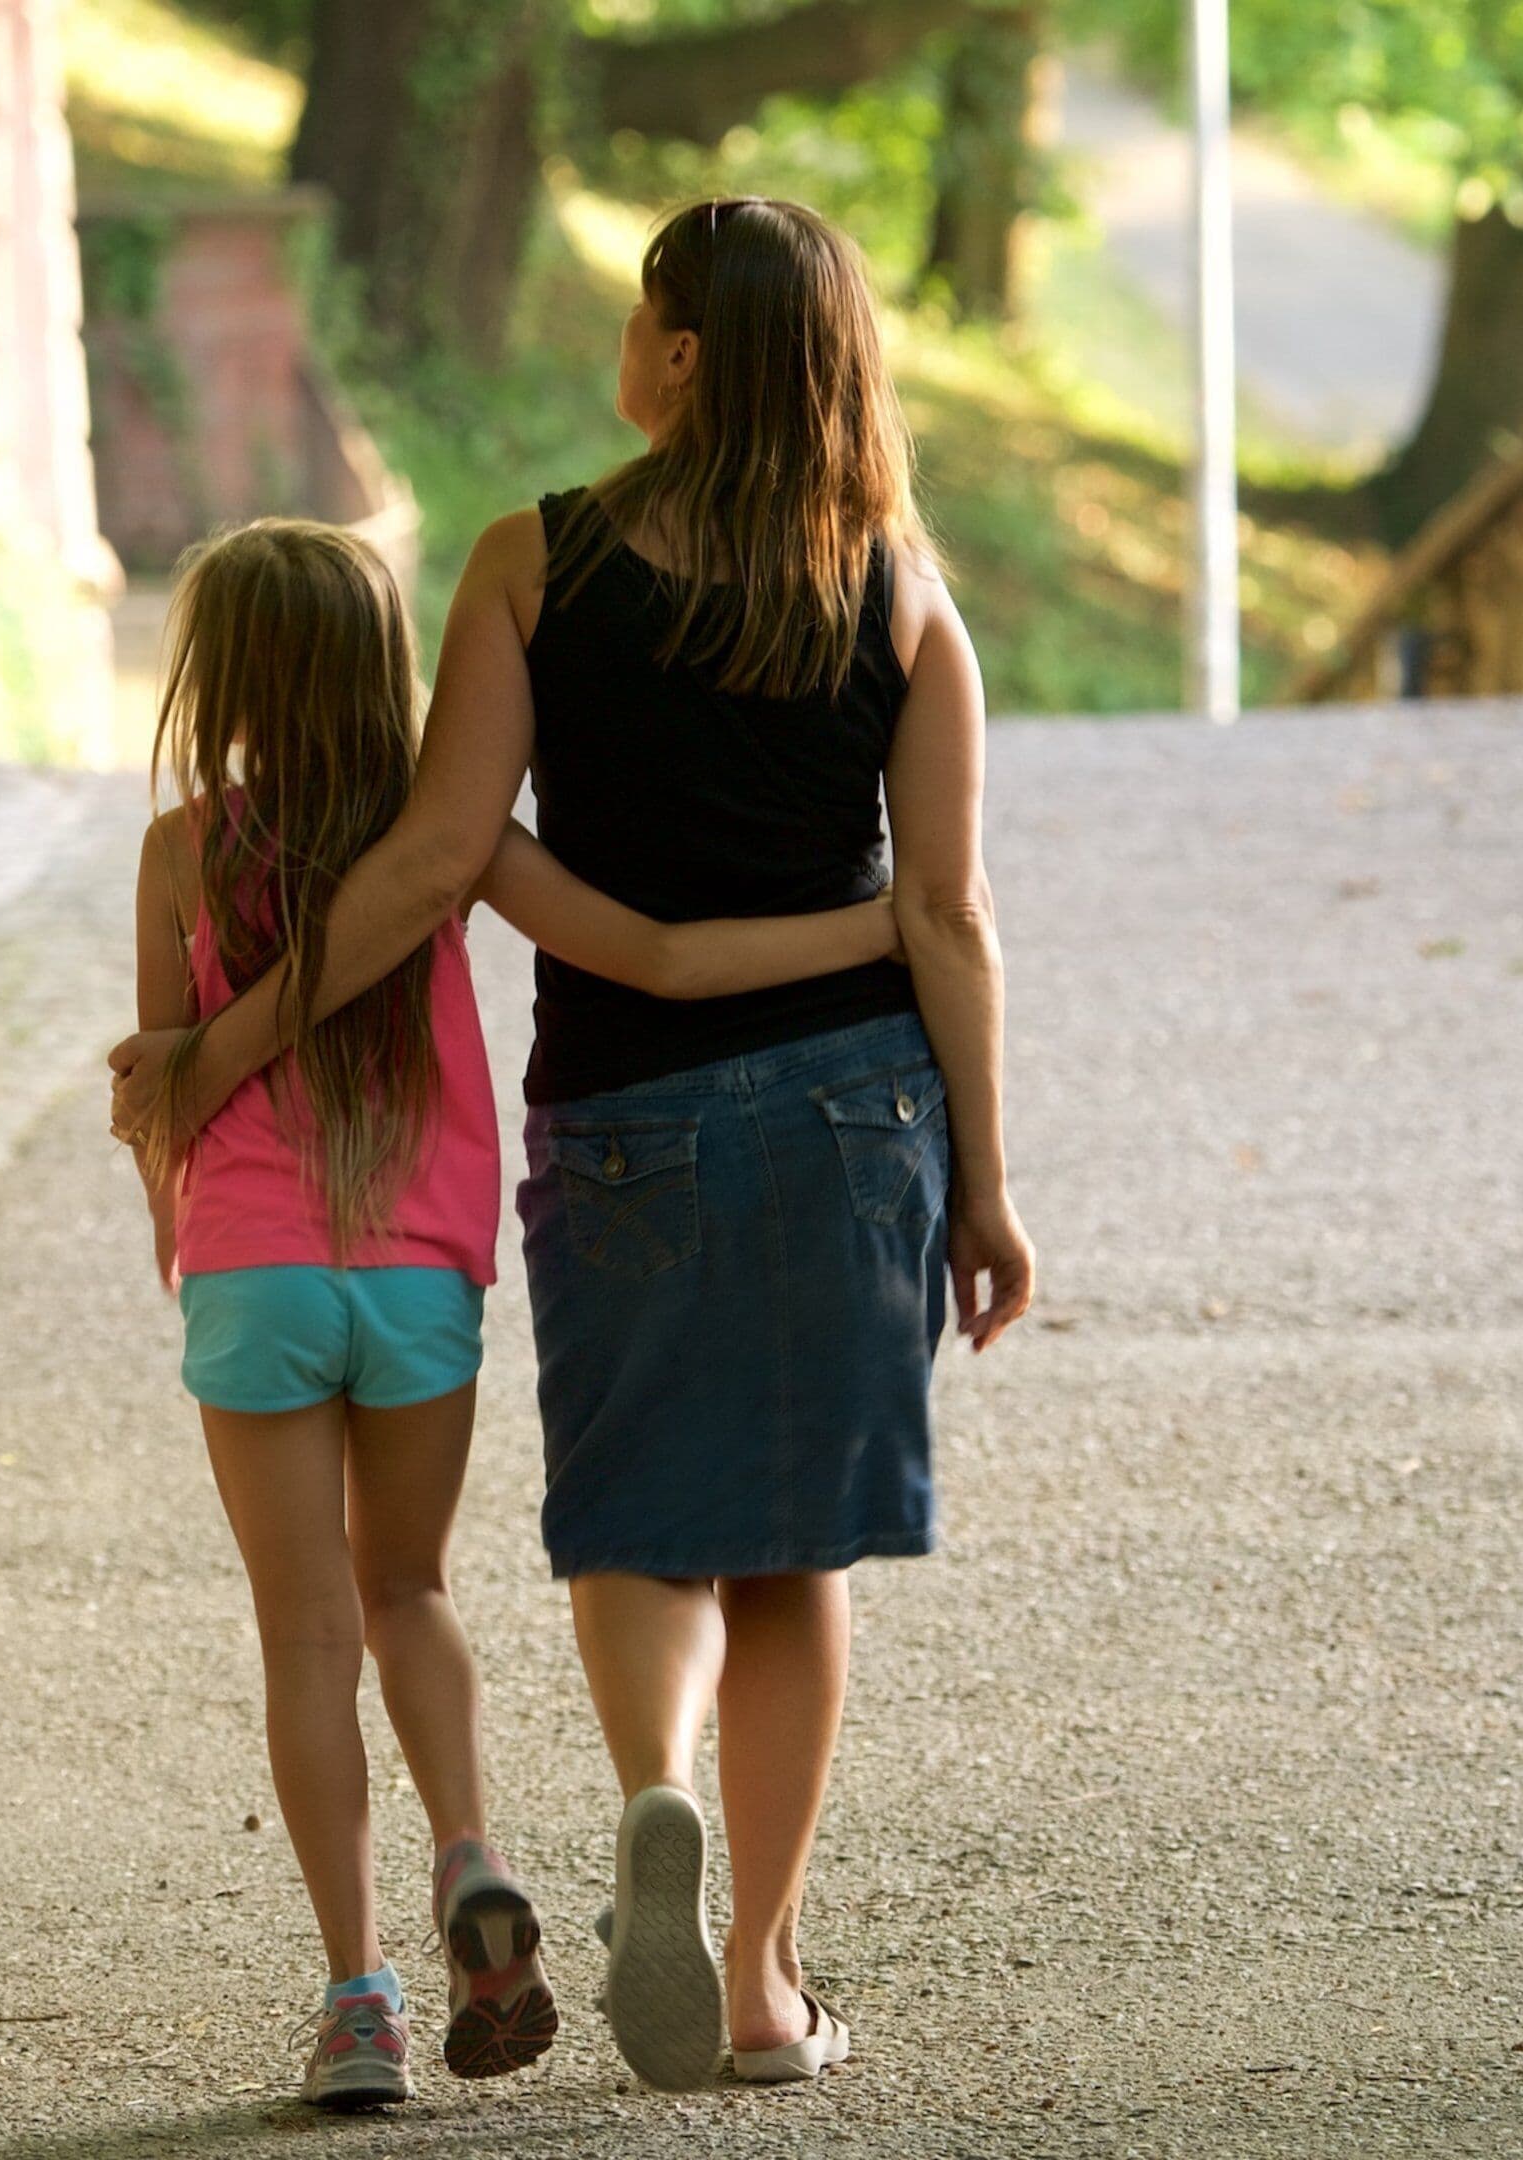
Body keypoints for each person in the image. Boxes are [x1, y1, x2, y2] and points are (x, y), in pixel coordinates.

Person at [115, 200, 1036, 2095]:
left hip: (623, 1114)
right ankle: (766, 1986)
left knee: (639, 1523)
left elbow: (436, 859)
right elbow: (949, 915)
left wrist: (219, 1053)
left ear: (685, 355)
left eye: (642, 314)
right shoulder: (902, 592)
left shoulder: (536, 560)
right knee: (795, 1558)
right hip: (858, 1108)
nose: (624, 339)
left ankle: (652, 1798)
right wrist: (993, 1188)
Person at [130, 517, 902, 2110]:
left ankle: (360, 2002)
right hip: (418, 1278)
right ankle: (470, 1846)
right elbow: (654, 952)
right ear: (384, 670)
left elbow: (165, 1091)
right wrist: (889, 924)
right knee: (408, 1590)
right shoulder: (449, 844)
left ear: (217, 678)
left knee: (305, 1636)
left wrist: (184, 1226)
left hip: (255, 1282)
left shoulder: (186, 852)